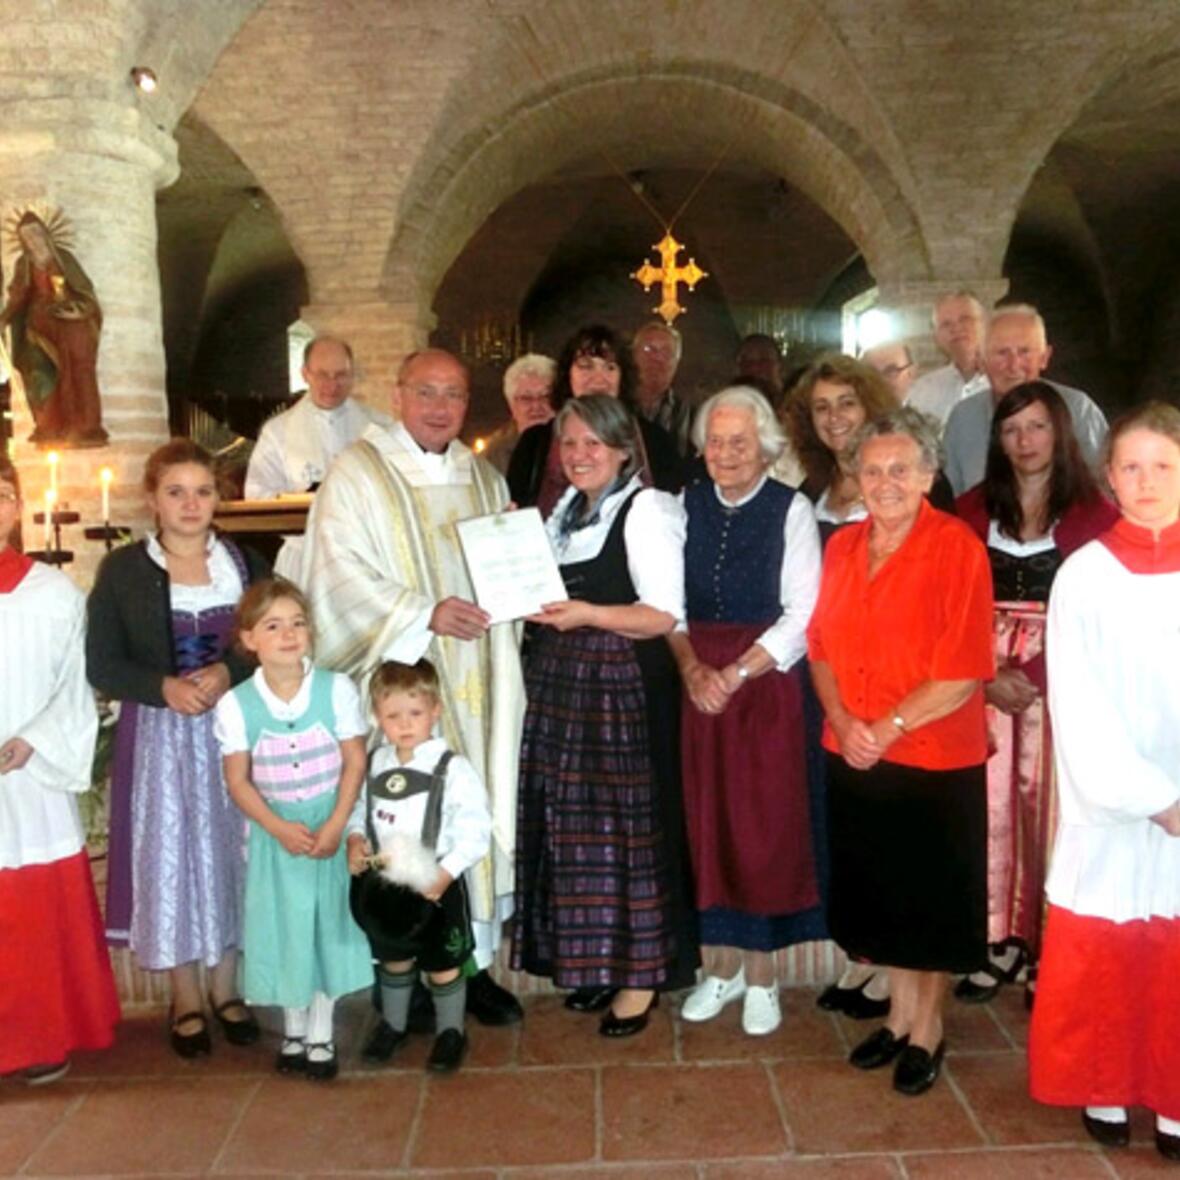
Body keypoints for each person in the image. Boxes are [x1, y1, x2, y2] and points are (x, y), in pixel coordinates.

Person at [300, 347, 525, 1027]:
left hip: (480, 680)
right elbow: (337, 575)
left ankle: (472, 965)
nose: (438, 406)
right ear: (397, 395)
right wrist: (423, 613)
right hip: (406, 689)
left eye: (453, 395)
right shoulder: (357, 474)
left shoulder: (483, 477)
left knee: (468, 812)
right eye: (424, 391)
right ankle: (417, 969)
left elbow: (508, 572)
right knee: (411, 821)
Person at [808, 406, 994, 1096]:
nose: (883, 482)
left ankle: (927, 1031)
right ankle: (894, 1017)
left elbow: (962, 667)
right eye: (872, 469)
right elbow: (820, 645)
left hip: (930, 758)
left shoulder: (956, 547)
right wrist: (841, 718)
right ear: (855, 477)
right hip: (851, 747)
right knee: (882, 896)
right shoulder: (842, 548)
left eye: (899, 469)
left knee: (927, 902)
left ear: (928, 475)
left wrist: (882, 728)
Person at [513, 394, 697, 1036]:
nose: (579, 455)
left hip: (620, 685)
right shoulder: (566, 510)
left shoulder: (645, 510)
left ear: (623, 449)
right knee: (579, 828)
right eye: (569, 444)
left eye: (594, 443)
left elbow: (662, 614)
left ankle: (641, 975)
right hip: (566, 683)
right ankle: (601, 961)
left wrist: (588, 614)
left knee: (626, 831)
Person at [1029, 402, 1180, 1163]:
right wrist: (1154, 798)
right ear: (1110, 478)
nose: (1147, 481)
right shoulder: (1084, 575)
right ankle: (1105, 1084)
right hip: (1112, 803)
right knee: (1108, 947)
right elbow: (1077, 697)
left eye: (1163, 466)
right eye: (1131, 467)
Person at [87, 439, 269, 1058]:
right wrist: (161, 685)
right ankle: (185, 994)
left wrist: (228, 673)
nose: (191, 504)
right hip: (161, 737)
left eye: (203, 491)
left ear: (219, 498)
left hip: (235, 734)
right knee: (171, 858)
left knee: (232, 853)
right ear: (152, 500)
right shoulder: (123, 570)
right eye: (176, 492)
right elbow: (102, 661)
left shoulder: (244, 564)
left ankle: (228, 986)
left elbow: (272, 634)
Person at [954, 382, 1118, 1006]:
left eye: (1037, 427)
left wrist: (1041, 674)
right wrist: (985, 673)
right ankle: (999, 938)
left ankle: (1054, 944)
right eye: (1012, 429)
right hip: (985, 678)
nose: (1025, 441)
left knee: (1052, 813)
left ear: (1061, 433)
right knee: (990, 812)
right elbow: (949, 605)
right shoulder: (972, 510)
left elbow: (1103, 613)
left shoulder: (1097, 515)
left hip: (1065, 683)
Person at [670, 387, 823, 1037]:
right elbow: (665, 598)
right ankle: (721, 969)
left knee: (761, 828)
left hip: (764, 685)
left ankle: (763, 978)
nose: (726, 453)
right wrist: (692, 669)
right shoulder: (685, 503)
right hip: (699, 680)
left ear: (765, 448)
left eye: (739, 442)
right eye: (715, 441)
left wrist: (734, 673)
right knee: (708, 823)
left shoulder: (791, 510)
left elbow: (804, 613)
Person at [214, 578, 373, 1081]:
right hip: (276, 834)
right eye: (273, 625)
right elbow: (237, 781)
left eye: (298, 623)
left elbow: (353, 762)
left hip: (326, 826)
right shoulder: (237, 704)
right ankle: (294, 1026)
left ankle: (322, 1030)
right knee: (286, 932)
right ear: (249, 640)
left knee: (325, 928)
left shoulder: (336, 689)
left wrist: (336, 824)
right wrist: (278, 827)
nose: (288, 635)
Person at [0, 456, 119, 1084]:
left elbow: (76, 686)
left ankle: (40, 1037)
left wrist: (32, 742)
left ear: (17, 508)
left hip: (29, 772)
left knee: (31, 914)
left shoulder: (53, 594)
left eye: (0, 495)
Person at [347, 659, 492, 1073]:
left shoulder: (452, 768)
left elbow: (474, 829)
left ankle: (450, 1032)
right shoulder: (376, 763)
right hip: (388, 886)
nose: (405, 724)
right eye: (393, 716)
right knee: (393, 958)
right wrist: (355, 839)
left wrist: (446, 873)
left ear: (435, 711)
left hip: (436, 885)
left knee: (443, 964)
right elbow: (362, 809)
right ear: (377, 717)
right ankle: (394, 1023)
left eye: (415, 713)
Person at [244, 335, 392, 577]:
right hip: (304, 557)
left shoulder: (379, 427)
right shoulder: (278, 432)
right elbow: (257, 495)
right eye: (323, 375)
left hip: (366, 557)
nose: (332, 385)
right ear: (305, 374)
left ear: (352, 374)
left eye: (341, 375)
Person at [507, 323, 682, 515]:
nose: (599, 378)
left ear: (623, 377)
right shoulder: (534, 443)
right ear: (568, 375)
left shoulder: (655, 441)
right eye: (586, 366)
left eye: (609, 367)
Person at [788, 353, 952, 545]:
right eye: (822, 408)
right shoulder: (812, 489)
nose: (834, 417)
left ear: (870, 407)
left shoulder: (916, 474)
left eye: (847, 403)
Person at [944, 304, 1108, 494]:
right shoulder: (963, 418)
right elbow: (950, 499)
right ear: (981, 361)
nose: (1013, 365)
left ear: (1044, 358)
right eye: (1002, 353)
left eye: (1024, 352)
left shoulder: (1078, 410)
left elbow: (1103, 490)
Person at [0, 210, 107, 447]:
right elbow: (17, 296)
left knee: (80, 372)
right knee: (39, 371)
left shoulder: (64, 259)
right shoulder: (24, 264)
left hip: (71, 323)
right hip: (39, 325)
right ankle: (49, 426)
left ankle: (87, 428)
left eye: (36, 233)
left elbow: (85, 290)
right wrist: (4, 318)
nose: (33, 239)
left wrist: (80, 309)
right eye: (27, 236)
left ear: (46, 234)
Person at [905, 291, 990, 428]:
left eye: (965, 319)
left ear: (985, 324)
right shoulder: (922, 391)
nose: (956, 328)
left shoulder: (1006, 382)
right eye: (945, 324)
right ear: (936, 335)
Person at [482, 353, 556, 475]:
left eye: (546, 396)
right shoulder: (494, 453)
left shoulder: (573, 445)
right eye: (526, 398)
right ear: (511, 404)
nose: (536, 406)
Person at [632, 320, 693, 457]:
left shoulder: (690, 414)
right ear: (633, 356)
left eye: (666, 352)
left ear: (677, 362)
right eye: (649, 349)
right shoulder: (616, 407)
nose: (657, 358)